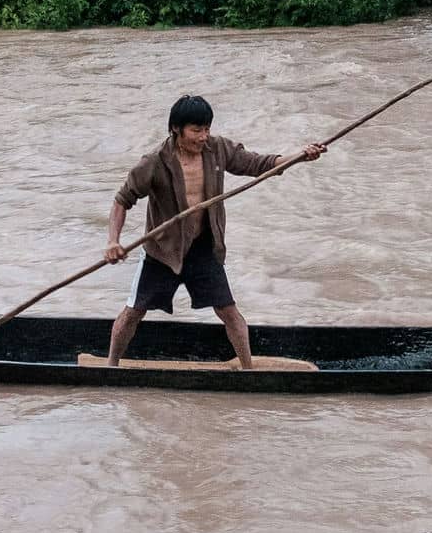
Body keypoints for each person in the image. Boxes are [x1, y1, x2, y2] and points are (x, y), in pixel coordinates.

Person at [103, 95, 324, 368]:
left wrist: (299, 157)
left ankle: (248, 371)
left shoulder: (218, 149)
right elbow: (121, 201)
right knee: (134, 311)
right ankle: (111, 368)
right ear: (176, 129)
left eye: (206, 129)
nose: (203, 136)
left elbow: (260, 164)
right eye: (196, 130)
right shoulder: (154, 163)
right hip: (163, 252)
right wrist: (113, 241)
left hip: (203, 248)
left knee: (229, 311)